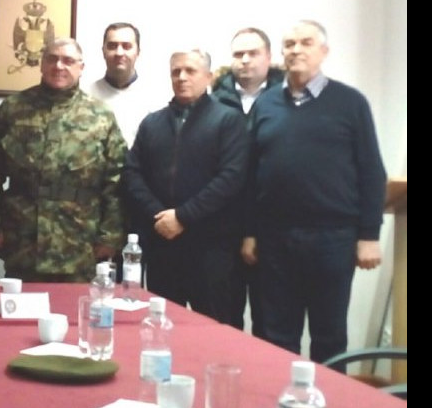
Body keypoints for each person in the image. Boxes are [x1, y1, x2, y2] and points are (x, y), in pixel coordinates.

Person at [241, 20, 386, 363]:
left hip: (333, 239)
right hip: (275, 238)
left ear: (324, 51)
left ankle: (329, 398)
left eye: (306, 42)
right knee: (276, 335)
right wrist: (249, 232)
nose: (296, 50)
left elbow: (371, 172)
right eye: (289, 44)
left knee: (329, 334)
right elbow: (250, 175)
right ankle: (279, 396)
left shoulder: (350, 103)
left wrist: (369, 236)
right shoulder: (266, 104)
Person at [0, 38, 126, 282]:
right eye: (52, 59)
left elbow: (116, 180)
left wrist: (111, 235)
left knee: (76, 306)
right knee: (20, 305)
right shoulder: (13, 109)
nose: (59, 66)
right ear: (42, 64)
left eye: (68, 61)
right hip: (23, 238)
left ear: (81, 67)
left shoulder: (101, 116)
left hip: (79, 240)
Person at [124, 49, 248, 323]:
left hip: (211, 248)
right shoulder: (152, 123)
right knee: (163, 328)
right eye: (176, 72)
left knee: (216, 330)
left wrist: (182, 216)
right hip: (163, 245)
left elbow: (231, 178)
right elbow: (132, 172)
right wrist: (158, 215)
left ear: (209, 77)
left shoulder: (228, 120)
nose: (181, 77)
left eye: (190, 71)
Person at [209, 26, 284, 336]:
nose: (245, 60)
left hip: (272, 226)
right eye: (239, 54)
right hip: (224, 226)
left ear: (269, 57)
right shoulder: (213, 102)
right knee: (225, 320)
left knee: (272, 321)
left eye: (253, 53)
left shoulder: (287, 100)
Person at [85, 22, 171, 146]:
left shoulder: (157, 98)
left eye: (126, 46)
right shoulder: (86, 96)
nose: (119, 53)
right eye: (112, 46)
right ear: (103, 51)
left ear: (138, 52)